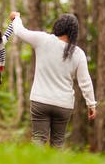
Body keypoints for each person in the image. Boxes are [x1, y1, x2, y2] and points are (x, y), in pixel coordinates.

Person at [11, 11, 97, 149]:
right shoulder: (78, 53)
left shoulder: (43, 40)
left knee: (38, 140)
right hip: (63, 104)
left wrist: (16, 18)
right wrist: (91, 104)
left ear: (58, 26)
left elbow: (20, 31)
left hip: (40, 101)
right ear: (74, 32)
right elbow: (85, 82)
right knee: (58, 144)